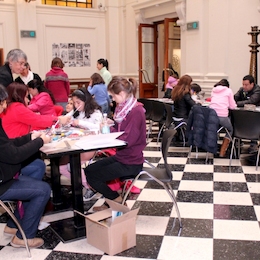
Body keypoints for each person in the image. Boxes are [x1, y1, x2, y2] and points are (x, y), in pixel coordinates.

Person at [0, 84, 51, 248]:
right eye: (2, 103)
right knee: (42, 190)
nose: (5, 106)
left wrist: (29, 137)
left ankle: (14, 224)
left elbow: (8, 146)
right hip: (3, 179)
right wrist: (39, 141)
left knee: (36, 167)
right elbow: (14, 156)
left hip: (4, 171)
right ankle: (24, 237)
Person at [85, 76, 146, 211]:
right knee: (89, 170)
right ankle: (114, 199)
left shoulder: (136, 111)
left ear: (122, 94)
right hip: (123, 157)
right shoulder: (125, 107)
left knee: (94, 177)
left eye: (113, 96)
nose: (112, 100)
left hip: (131, 161)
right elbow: (121, 130)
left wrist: (107, 135)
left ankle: (116, 201)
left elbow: (127, 139)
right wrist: (109, 127)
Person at [59, 88, 103, 200]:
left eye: (78, 102)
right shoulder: (75, 112)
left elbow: (98, 127)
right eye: (74, 103)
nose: (76, 105)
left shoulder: (95, 113)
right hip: (75, 145)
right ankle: (81, 184)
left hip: (91, 146)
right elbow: (64, 121)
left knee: (71, 165)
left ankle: (90, 187)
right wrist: (65, 122)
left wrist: (81, 123)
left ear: (86, 101)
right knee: (61, 167)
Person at [0, 82, 69, 138]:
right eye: (26, 97)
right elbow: (37, 120)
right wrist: (57, 120)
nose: (28, 100)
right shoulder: (16, 107)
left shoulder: (10, 106)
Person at [209, 79, 237, 157]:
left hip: (211, 116)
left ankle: (212, 149)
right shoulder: (229, 91)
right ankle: (222, 152)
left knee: (214, 129)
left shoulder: (213, 90)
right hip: (222, 116)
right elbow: (232, 106)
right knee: (230, 130)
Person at [234, 75, 260, 153]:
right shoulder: (242, 90)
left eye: (246, 85)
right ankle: (237, 141)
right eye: (243, 84)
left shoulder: (257, 90)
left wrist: (237, 103)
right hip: (244, 113)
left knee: (254, 121)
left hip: (255, 115)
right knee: (234, 117)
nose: (244, 86)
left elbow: (251, 101)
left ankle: (253, 143)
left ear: (252, 84)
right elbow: (234, 98)